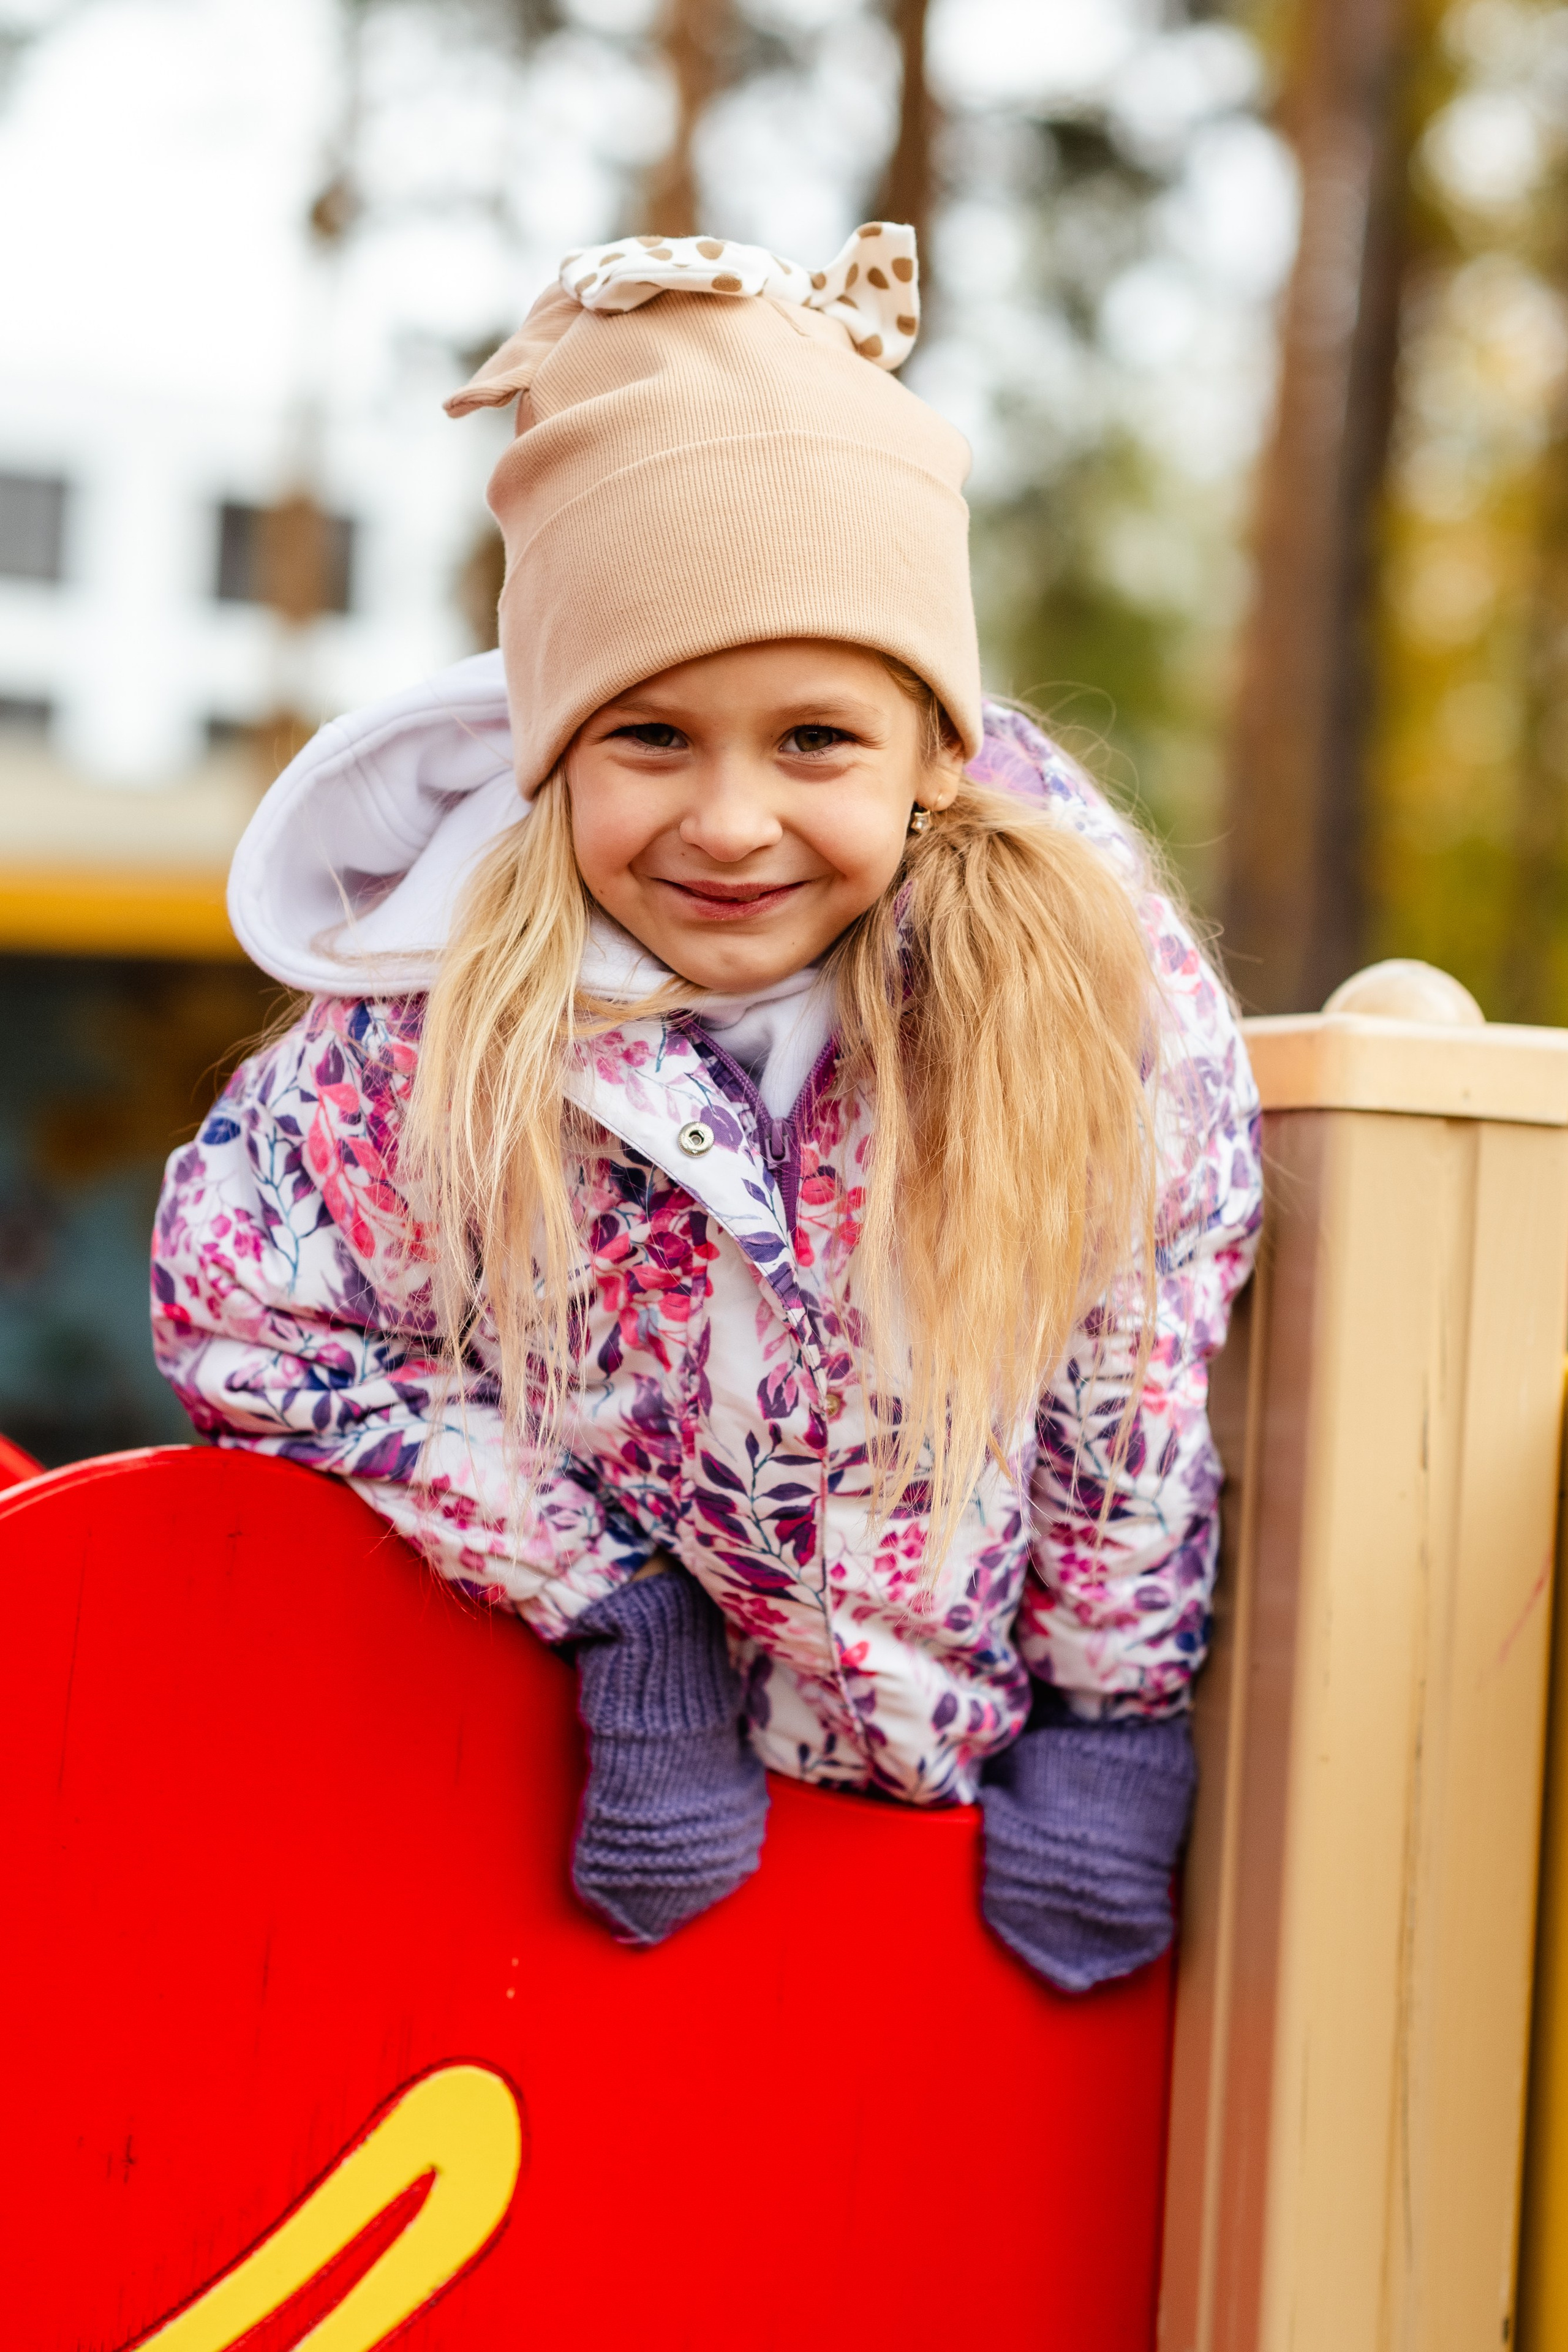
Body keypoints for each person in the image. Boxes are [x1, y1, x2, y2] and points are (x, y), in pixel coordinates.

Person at [152, 224, 1261, 1991]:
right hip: (581, 1816)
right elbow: (249, 1314)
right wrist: (610, 1607)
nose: (730, 822)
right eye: (651, 737)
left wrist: (1112, 1723)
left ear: (931, 751)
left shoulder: (1085, 1004)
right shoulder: (442, 1031)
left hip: (967, 1805)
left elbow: (1127, 1370)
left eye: (814, 740)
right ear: (551, 752)